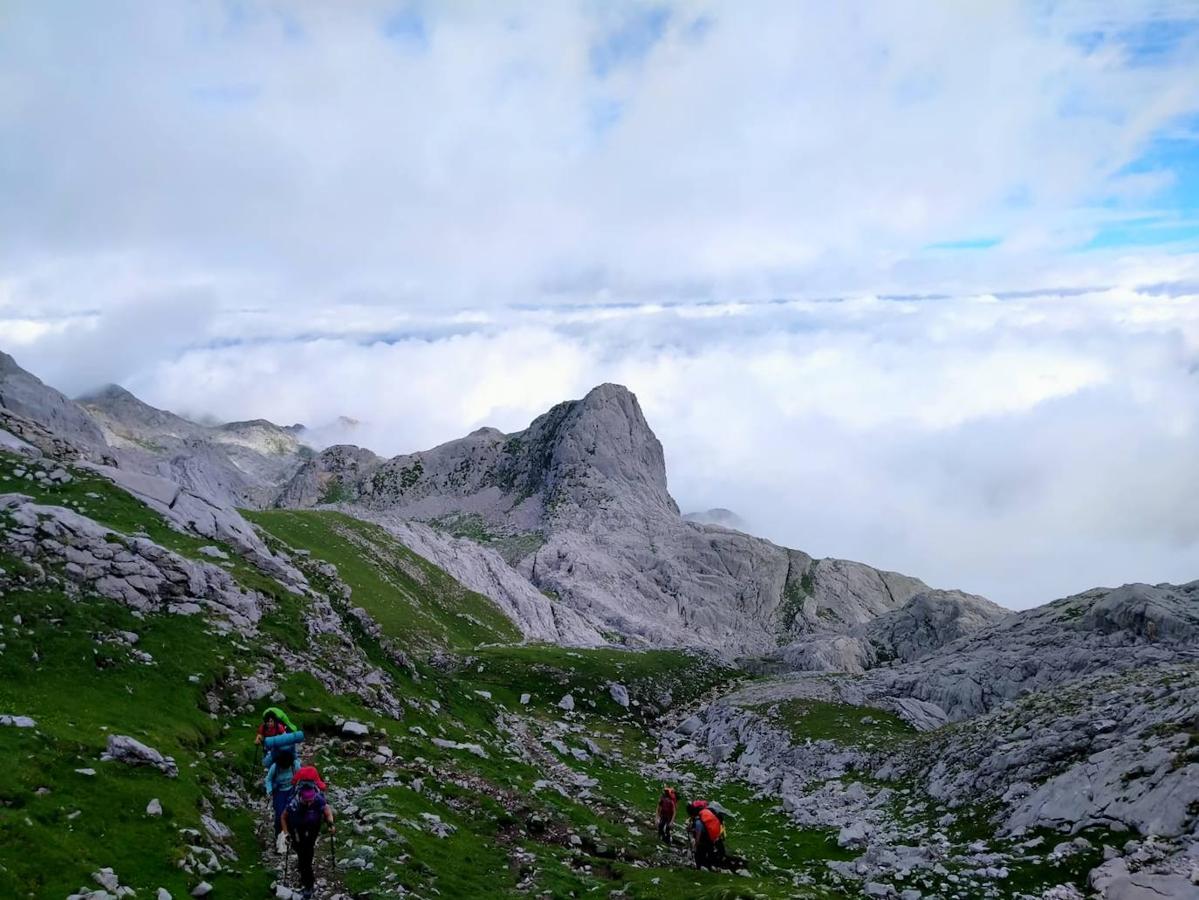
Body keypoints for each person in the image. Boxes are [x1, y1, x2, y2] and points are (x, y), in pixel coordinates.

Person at [282, 766, 335, 900]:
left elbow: (327, 811)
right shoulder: (294, 802)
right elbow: (283, 817)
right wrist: (286, 833)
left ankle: (308, 882)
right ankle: (305, 874)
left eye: (311, 800)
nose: (310, 802)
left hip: (313, 826)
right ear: (302, 798)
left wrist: (330, 824)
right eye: (307, 801)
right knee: (300, 850)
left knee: (308, 850)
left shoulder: (317, 798)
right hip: (297, 827)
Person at [265, 747, 300, 845]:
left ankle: (291, 835)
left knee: (293, 812)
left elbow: (300, 776)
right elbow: (268, 779)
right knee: (280, 814)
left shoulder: (295, 765)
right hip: (279, 792)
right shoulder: (275, 767)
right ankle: (279, 836)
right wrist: (269, 790)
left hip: (292, 790)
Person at [693, 804, 726, 869]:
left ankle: (699, 866)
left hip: (705, 839)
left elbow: (698, 835)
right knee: (710, 851)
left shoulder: (698, 823)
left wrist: (696, 845)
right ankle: (710, 866)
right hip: (712, 837)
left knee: (700, 853)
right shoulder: (711, 822)